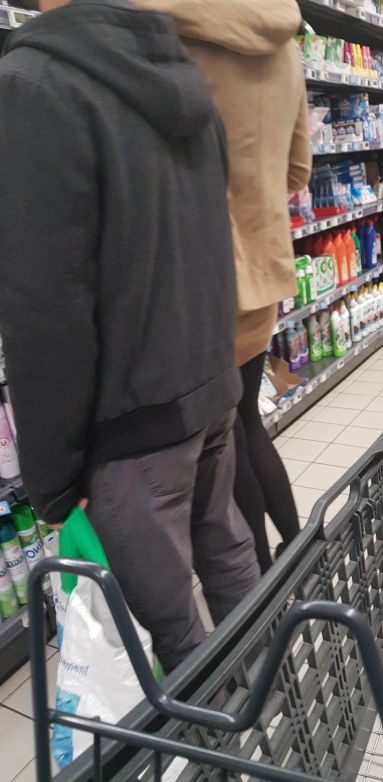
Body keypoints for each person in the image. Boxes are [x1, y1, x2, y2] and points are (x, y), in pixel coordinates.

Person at [0, 0, 260, 672]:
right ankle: (281, 703)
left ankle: (217, 734)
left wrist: (53, 481)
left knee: (171, 636)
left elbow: (45, 307)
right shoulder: (182, 71)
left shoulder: (34, 85)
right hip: (209, 390)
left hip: (133, 428)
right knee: (232, 563)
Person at [132, 0, 313, 573]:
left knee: (225, 437)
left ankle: (259, 587)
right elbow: (298, 171)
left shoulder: (163, 35)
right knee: (246, 424)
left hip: (196, 273)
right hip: (262, 263)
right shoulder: (286, 44)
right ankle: (301, 550)